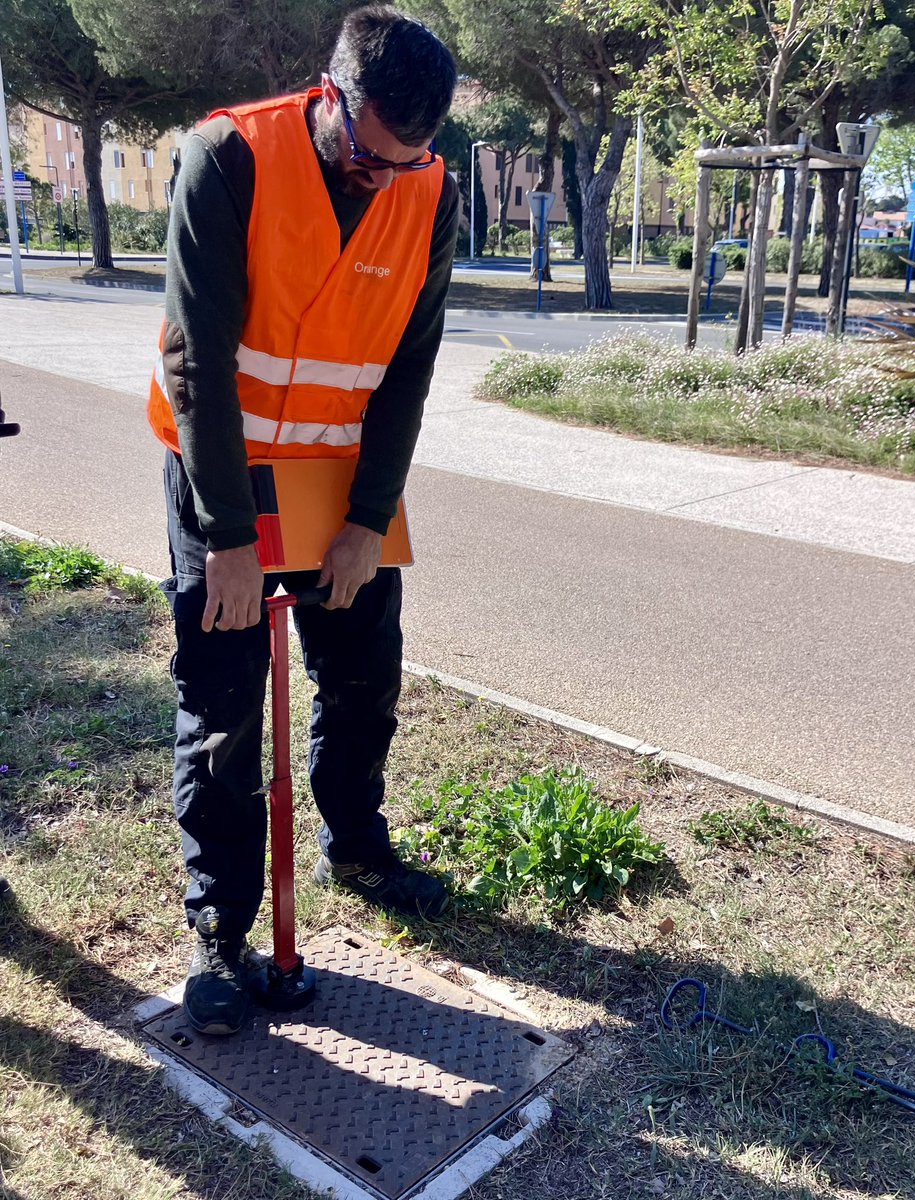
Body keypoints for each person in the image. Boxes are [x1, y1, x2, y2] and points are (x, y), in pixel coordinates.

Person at [148, 6, 460, 1036]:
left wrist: (369, 519)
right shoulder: (228, 155)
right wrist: (229, 540)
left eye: (406, 164)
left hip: (338, 476)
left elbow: (409, 366)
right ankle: (219, 930)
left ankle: (359, 850)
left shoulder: (429, 187)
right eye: (367, 159)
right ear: (330, 96)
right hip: (222, 471)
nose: (383, 181)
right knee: (225, 705)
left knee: (366, 679)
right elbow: (197, 362)